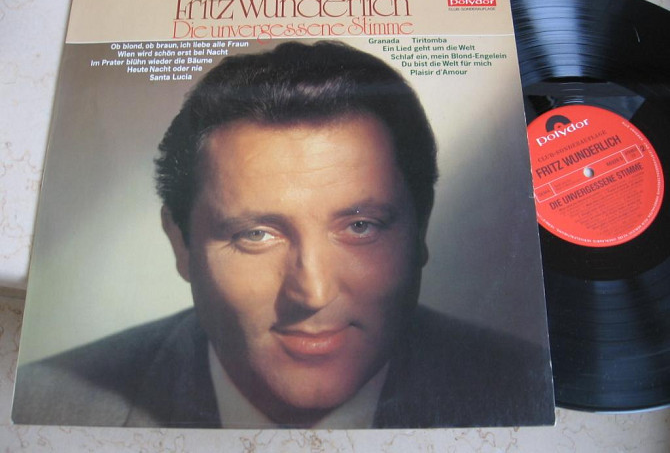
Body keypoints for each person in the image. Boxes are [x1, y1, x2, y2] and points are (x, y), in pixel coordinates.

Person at [12, 41, 554, 428]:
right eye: (255, 234)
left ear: (421, 228)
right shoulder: (47, 402)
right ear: (180, 244)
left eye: (360, 226)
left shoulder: (522, 385)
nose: (312, 294)